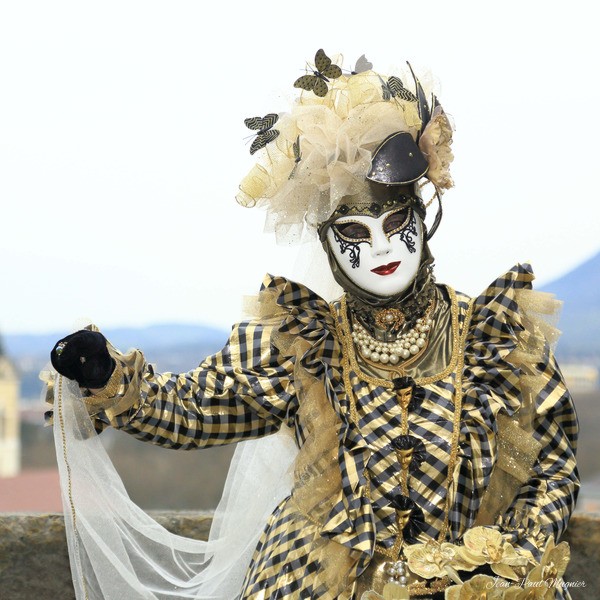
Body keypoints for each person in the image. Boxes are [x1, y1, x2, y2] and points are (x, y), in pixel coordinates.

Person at [48, 51, 578, 600]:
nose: (378, 247)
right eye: (353, 230)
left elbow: (551, 471)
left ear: (424, 222)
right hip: (314, 581)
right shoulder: (304, 343)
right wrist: (110, 377)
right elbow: (198, 410)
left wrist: (505, 559)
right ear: (328, 244)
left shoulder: (495, 338)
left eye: (396, 223)